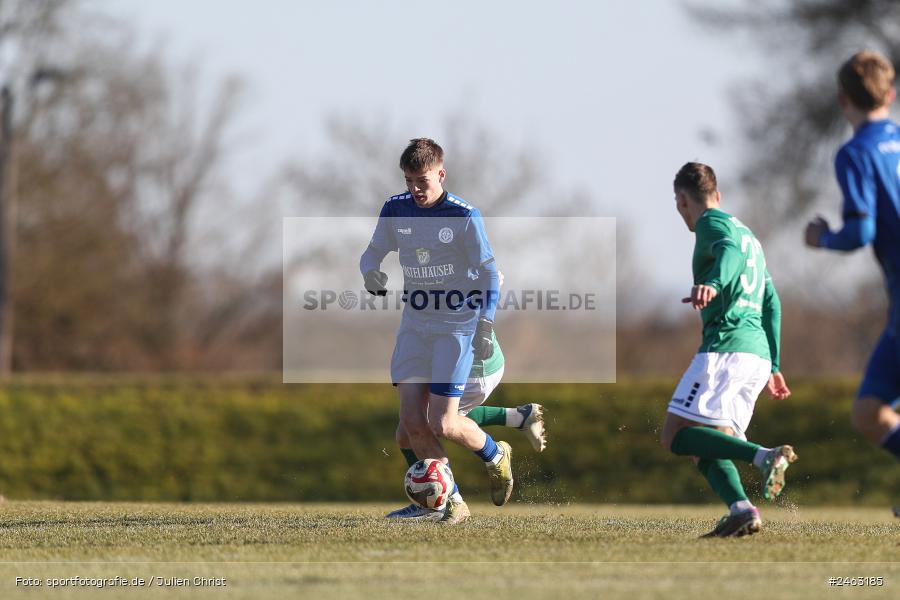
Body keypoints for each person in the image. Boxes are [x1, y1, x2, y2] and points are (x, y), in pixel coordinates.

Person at [360, 138, 511, 525]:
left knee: (443, 423)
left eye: (422, 180)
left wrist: (486, 322)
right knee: (410, 424)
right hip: (415, 324)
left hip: (455, 328)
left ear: (440, 174)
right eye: (409, 180)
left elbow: (491, 274)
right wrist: (370, 271)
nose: (415, 188)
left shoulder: (463, 216)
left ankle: (496, 455)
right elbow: (372, 252)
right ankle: (451, 502)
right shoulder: (396, 209)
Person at [660, 162, 797, 538]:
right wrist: (774, 362)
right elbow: (772, 302)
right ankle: (741, 510)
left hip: (725, 348)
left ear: (682, 200)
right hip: (755, 354)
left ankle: (764, 456)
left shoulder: (712, 225)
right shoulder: (749, 235)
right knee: (711, 442)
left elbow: (727, 253)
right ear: (718, 194)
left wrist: (714, 283)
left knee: (674, 434)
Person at [804, 50, 900, 504]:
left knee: (868, 413)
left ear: (843, 99)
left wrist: (822, 238)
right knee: (868, 412)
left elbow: (860, 231)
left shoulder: (855, 154)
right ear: (891, 93)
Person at [387, 324, 547, 521]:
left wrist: (486, 325)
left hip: (469, 357)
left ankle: (451, 497)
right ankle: (518, 417)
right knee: (407, 432)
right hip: (437, 348)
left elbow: (487, 293)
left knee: (440, 421)